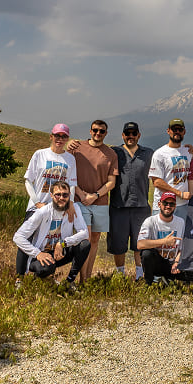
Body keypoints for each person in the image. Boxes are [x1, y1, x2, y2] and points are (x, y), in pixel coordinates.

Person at [65, 119, 119, 280]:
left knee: (95, 239)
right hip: (80, 201)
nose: (98, 133)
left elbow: (111, 182)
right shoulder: (77, 148)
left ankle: (87, 277)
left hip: (100, 202)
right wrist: (82, 195)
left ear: (105, 133)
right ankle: (81, 278)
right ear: (90, 131)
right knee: (86, 239)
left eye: (101, 131)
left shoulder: (111, 154)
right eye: (95, 130)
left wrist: (94, 195)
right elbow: (69, 174)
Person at [15, 181, 90, 287]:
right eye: (57, 194)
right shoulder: (42, 212)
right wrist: (37, 253)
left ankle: (69, 282)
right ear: (51, 196)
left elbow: (84, 233)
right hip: (41, 256)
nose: (61, 198)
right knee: (47, 268)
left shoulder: (74, 209)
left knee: (85, 245)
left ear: (69, 195)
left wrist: (62, 243)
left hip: (59, 253)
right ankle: (38, 278)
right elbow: (18, 236)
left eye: (65, 195)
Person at [106, 121, 155, 280]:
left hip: (141, 206)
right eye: (128, 133)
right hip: (118, 206)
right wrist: (74, 145)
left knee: (139, 243)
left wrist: (188, 149)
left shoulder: (148, 153)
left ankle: (140, 275)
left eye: (134, 134)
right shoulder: (114, 152)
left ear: (139, 136)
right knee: (118, 245)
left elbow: (166, 157)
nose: (131, 136)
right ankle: (120, 275)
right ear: (123, 135)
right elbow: (94, 150)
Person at [136, 191, 193, 285]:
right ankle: (149, 283)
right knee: (146, 254)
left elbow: (182, 247)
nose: (168, 206)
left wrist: (177, 262)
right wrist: (164, 241)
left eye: (171, 204)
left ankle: (172, 279)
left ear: (175, 206)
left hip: (173, 263)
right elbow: (140, 245)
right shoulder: (150, 221)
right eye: (165, 203)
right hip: (157, 262)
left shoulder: (181, 222)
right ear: (159, 204)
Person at [148, 118, 193, 211]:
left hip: (183, 206)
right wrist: (179, 194)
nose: (177, 132)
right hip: (164, 205)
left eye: (180, 130)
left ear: (184, 132)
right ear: (168, 131)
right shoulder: (159, 154)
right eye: (174, 129)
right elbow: (157, 182)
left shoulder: (188, 152)